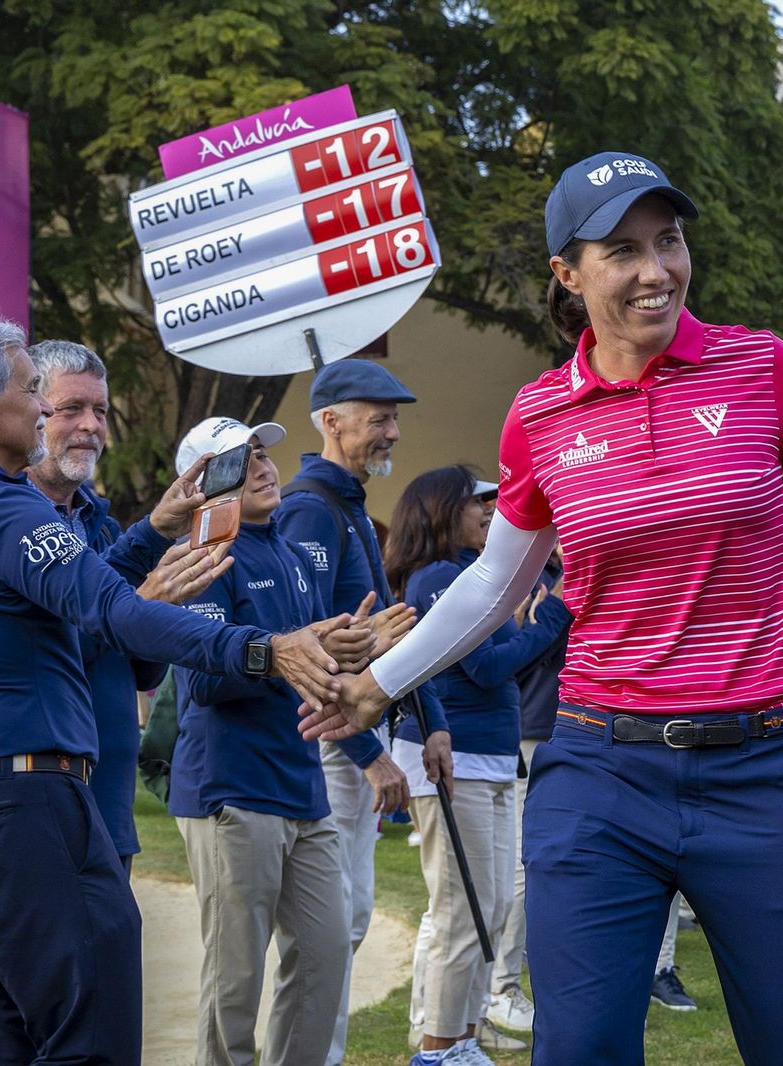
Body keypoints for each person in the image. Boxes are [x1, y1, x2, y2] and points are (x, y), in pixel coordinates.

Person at [297, 152, 783, 1064]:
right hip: (601, 774)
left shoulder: (758, 367)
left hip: (765, 771)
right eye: (622, 249)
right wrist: (382, 684)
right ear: (567, 275)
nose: (656, 270)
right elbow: (496, 582)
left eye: (668, 241)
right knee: (579, 1050)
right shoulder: (540, 414)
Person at [0, 318, 344, 1062]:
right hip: (34, 803)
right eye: (39, 396)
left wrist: (150, 532)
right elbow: (115, 613)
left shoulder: (60, 515)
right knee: (91, 1033)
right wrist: (263, 649)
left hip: (70, 801)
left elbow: (107, 633)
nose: (52, 415)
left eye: (97, 409)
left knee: (19, 1030)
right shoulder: (13, 508)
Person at [170, 418, 375, 1066]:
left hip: (300, 787)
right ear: (204, 483)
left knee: (324, 957)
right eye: (243, 459)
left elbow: (312, 664)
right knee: (235, 982)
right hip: (233, 789)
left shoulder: (287, 549)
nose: (264, 466)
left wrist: (356, 657)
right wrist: (288, 652)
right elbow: (200, 681)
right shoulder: (206, 552)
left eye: (263, 453)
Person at [273, 357, 447, 1064]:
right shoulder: (309, 508)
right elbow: (307, 655)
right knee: (329, 926)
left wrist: (432, 722)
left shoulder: (344, 504)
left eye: (393, 419)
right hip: (331, 744)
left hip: (360, 740)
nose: (393, 433)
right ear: (331, 421)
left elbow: (397, 632)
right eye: (379, 419)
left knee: (348, 920)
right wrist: (371, 757)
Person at [25, 339, 232, 870]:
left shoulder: (103, 528)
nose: (90, 425)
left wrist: (161, 605)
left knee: (114, 951)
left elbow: (142, 673)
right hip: (36, 810)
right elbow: (47, 651)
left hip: (111, 808)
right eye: (71, 408)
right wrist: (140, 604)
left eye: (100, 410)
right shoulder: (12, 527)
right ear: (32, 412)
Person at [386, 466, 566, 1061]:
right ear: (442, 512)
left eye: (492, 504)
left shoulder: (467, 573)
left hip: (487, 755)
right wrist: (553, 618)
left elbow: (498, 662)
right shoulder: (439, 577)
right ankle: (439, 1046)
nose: (490, 513)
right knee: (462, 908)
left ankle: (459, 1036)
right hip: (450, 754)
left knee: (487, 905)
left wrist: (531, 630)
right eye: (477, 505)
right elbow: (487, 669)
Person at [489, 550, 571, 1033]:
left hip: (573, 727)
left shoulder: (565, 571)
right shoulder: (527, 573)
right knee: (524, 863)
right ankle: (501, 986)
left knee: (554, 861)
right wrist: (553, 611)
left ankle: (522, 982)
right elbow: (513, 659)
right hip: (535, 727)